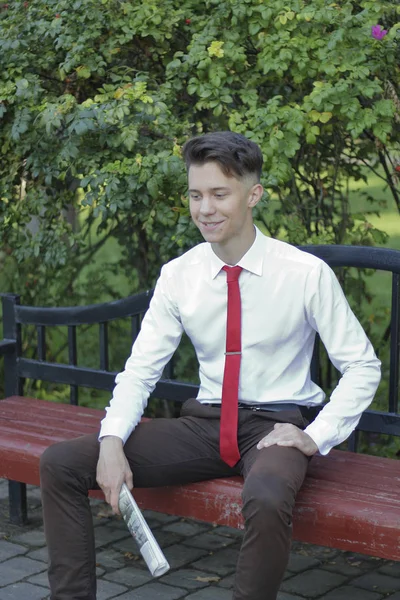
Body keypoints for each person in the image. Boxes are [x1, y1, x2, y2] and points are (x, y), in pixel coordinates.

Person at [40, 131, 381, 600]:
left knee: (265, 496)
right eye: (196, 195)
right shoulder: (181, 274)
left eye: (220, 194)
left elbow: (362, 366)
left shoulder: (304, 274)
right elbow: (141, 369)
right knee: (60, 463)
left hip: (274, 428)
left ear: (253, 194)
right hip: (204, 424)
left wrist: (314, 435)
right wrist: (112, 439)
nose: (205, 209)